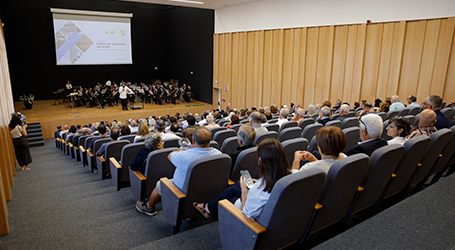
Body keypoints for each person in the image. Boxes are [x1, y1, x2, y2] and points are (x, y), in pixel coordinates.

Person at [193, 138, 291, 219]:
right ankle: (209, 207)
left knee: (232, 197)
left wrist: (244, 190)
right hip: (277, 212)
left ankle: (209, 208)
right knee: (235, 186)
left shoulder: (259, 190)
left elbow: (245, 214)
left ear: (260, 160)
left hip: (252, 224)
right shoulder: (291, 176)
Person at [135, 127, 221, 216]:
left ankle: (149, 207)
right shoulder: (219, 154)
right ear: (210, 140)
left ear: (193, 140)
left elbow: (169, 156)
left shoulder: (184, 155)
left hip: (184, 190)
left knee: (160, 184)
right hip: (208, 187)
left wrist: (182, 150)